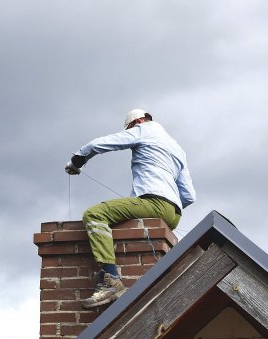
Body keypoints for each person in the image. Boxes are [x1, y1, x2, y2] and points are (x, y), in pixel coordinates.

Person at [65, 108, 196, 308]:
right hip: (174, 213)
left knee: (95, 215)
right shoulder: (177, 148)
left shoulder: (143, 129)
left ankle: (112, 281)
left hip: (154, 202)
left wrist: (77, 161)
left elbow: (98, 144)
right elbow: (189, 195)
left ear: (137, 122)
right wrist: (167, 207)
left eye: (129, 129)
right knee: (124, 214)